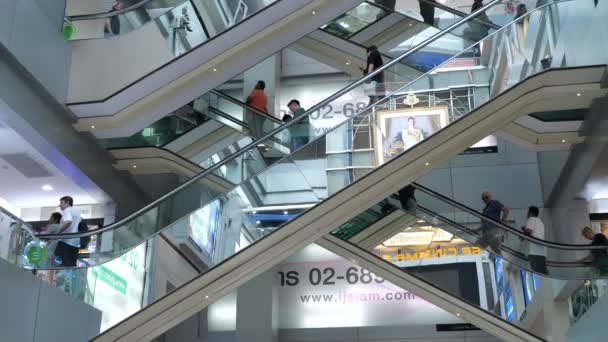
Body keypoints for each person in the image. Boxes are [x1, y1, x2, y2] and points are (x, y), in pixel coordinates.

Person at [55, 196, 82, 267]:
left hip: (66, 241)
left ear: (67, 202)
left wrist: (58, 233)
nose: (60, 205)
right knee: (72, 264)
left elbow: (68, 221)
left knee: (61, 261)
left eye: (61, 203)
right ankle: (71, 277)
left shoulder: (67, 210)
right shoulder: (77, 212)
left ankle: (64, 277)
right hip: (75, 242)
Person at [522, 206, 548, 275]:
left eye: (527, 212)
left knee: (536, 270)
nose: (527, 214)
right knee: (543, 270)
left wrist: (523, 232)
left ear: (530, 213)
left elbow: (528, 231)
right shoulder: (541, 222)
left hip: (534, 250)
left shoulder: (531, 219)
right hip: (542, 251)